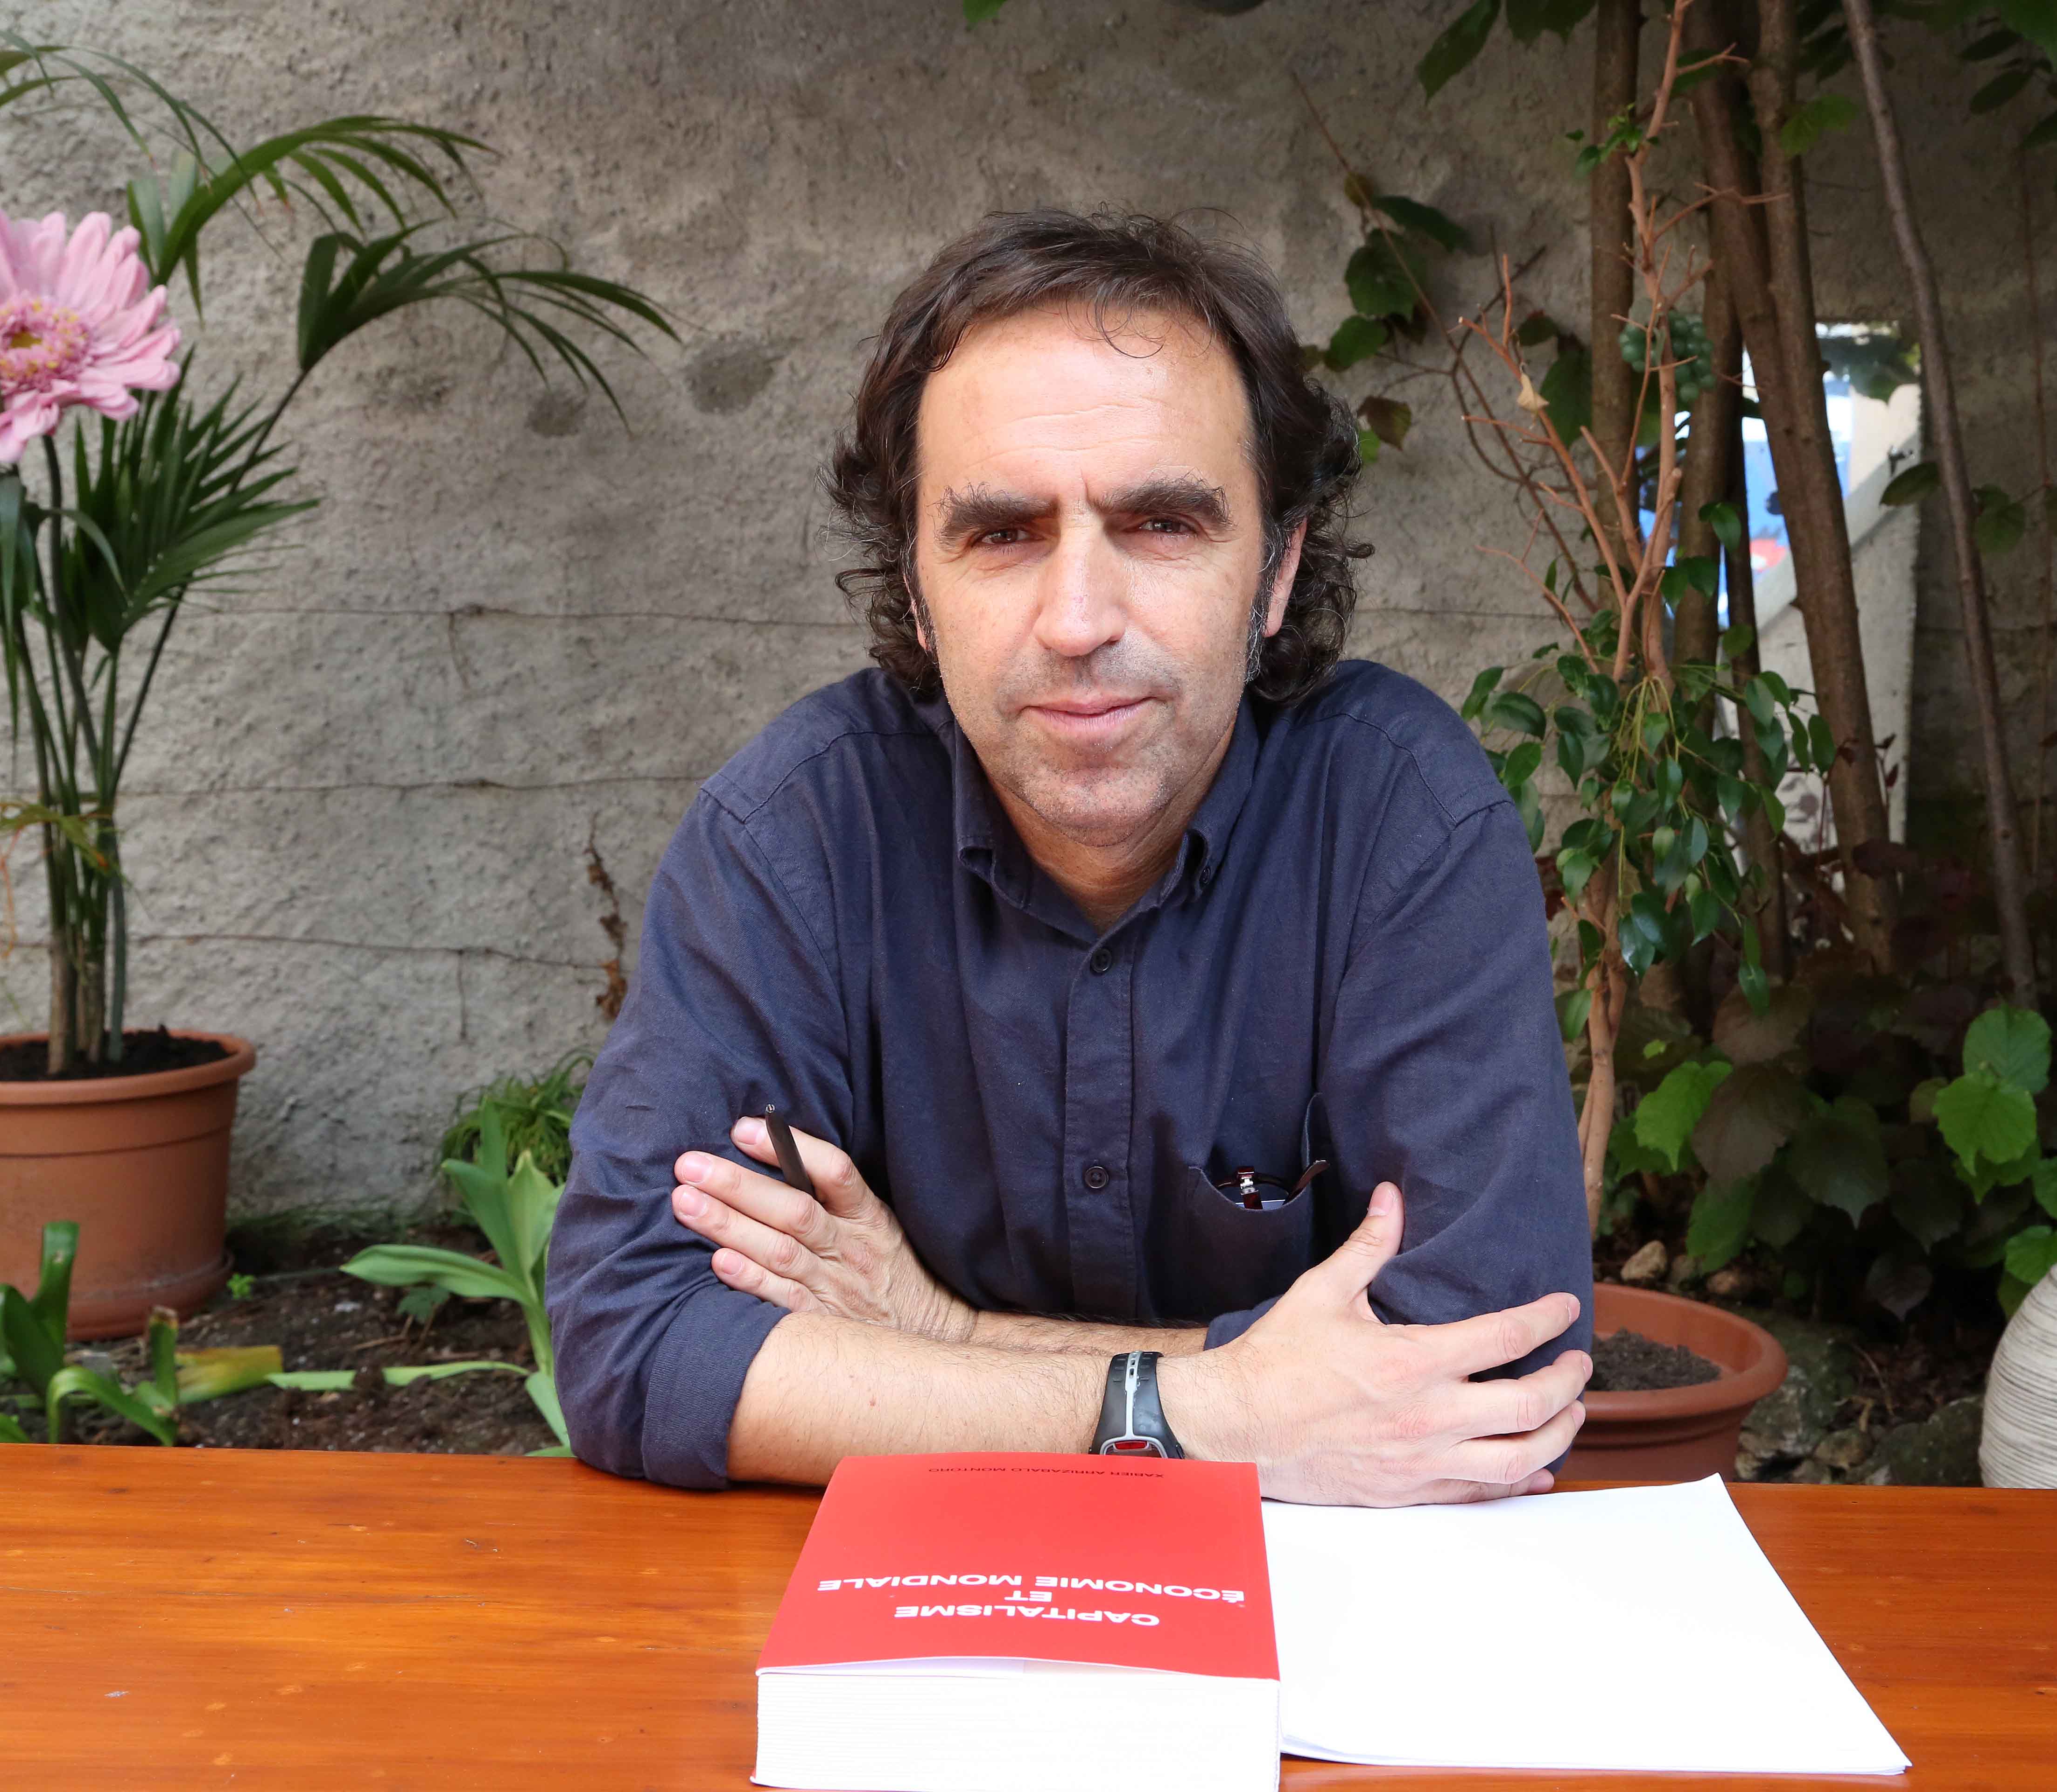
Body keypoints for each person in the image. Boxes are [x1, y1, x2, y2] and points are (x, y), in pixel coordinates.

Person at [544, 210, 1594, 1503]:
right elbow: (634, 1343)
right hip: (914, 1589)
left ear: (1275, 572)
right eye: (1003, 534)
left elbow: (1485, 1380)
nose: (1079, 620)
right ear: (918, 588)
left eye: (1160, 524)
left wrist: (939, 1336)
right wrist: (1213, 1410)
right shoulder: (799, 833)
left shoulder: (1397, 818)